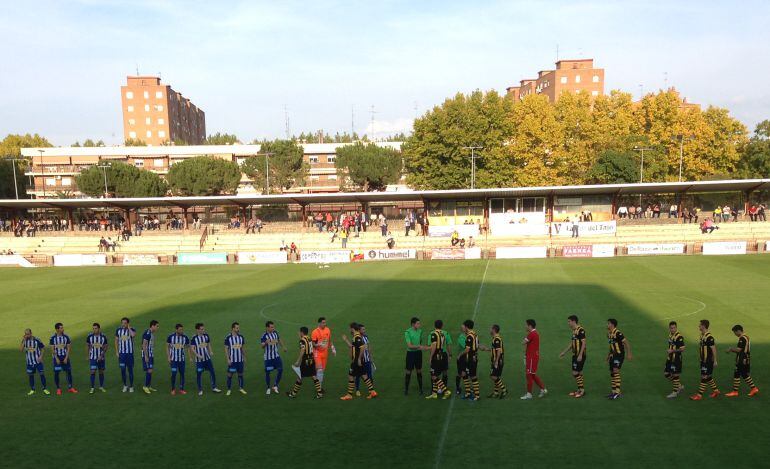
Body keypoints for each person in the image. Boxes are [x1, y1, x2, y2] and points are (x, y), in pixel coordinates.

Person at [340, 322, 377, 400]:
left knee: (351, 375)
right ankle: (372, 392)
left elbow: (362, 347)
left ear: (352, 329)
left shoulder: (357, 337)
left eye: (350, 328)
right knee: (364, 376)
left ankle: (349, 395)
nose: (350, 330)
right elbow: (352, 346)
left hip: (356, 361)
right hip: (357, 360)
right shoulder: (356, 336)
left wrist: (359, 359)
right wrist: (346, 340)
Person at [287, 327, 323, 399]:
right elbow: (312, 345)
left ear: (302, 332)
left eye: (299, 332)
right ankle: (319, 393)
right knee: (313, 376)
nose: (299, 333)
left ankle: (293, 394)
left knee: (300, 376)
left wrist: (298, 361)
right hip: (311, 359)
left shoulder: (302, 340)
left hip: (305, 360)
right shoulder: (309, 338)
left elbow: (302, 350)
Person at [725, 325, 759, 398]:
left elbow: (739, 349)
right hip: (745, 358)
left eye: (735, 332)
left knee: (741, 374)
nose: (735, 334)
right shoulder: (746, 337)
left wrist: (730, 349)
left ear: (738, 331)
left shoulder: (742, 338)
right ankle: (737, 391)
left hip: (742, 359)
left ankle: (752, 388)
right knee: (740, 374)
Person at [690, 319, 720, 400]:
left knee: (704, 377)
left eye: (700, 325)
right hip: (703, 360)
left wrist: (715, 360)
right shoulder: (702, 336)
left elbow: (713, 349)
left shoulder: (709, 337)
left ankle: (699, 395)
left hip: (708, 361)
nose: (699, 326)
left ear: (703, 326)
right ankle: (716, 391)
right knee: (708, 376)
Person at [189, 323, 220, 396]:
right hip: (199, 361)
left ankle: (214, 387)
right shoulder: (194, 338)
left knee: (212, 372)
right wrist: (197, 355)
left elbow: (208, 344)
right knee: (199, 374)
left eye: (203, 329)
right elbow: (192, 348)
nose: (203, 330)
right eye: (201, 329)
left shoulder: (206, 336)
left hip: (207, 359)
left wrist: (211, 351)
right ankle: (200, 389)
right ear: (197, 330)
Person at [559, 315, 586, 398]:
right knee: (579, 372)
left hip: (579, 355)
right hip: (575, 355)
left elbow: (584, 343)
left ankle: (581, 391)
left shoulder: (580, 330)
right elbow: (572, 344)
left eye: (569, 321)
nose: (568, 323)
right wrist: (564, 352)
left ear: (574, 321)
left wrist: (580, 355)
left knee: (575, 373)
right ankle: (580, 389)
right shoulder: (574, 331)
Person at [606, 319, 632, 399]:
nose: (607, 325)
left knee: (616, 371)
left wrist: (629, 354)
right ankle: (613, 391)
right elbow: (611, 346)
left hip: (619, 355)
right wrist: (608, 355)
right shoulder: (609, 334)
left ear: (612, 325)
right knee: (612, 372)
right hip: (613, 355)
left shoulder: (618, 333)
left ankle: (617, 392)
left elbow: (626, 343)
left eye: (608, 323)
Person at [425, 320, 451, 400]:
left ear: (434, 326)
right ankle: (434, 393)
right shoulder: (443, 334)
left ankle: (446, 391)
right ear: (442, 326)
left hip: (436, 356)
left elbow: (434, 346)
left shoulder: (433, 334)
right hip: (442, 354)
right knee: (437, 373)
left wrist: (430, 357)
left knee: (434, 375)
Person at [479, 324, 507, 399]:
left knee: (493, 376)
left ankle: (504, 390)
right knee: (496, 376)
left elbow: (498, 351)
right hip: (497, 360)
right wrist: (486, 349)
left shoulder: (497, 339)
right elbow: (495, 349)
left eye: (490, 329)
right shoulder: (495, 338)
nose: (489, 330)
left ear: (494, 330)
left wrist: (496, 361)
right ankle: (496, 392)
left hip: (497, 361)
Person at [521, 319, 546, 400]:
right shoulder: (534, 333)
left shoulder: (532, 334)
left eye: (526, 325)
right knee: (532, 374)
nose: (525, 326)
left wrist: (525, 339)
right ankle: (543, 389)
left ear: (530, 326)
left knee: (529, 375)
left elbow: (523, 342)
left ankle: (529, 394)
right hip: (531, 357)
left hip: (532, 358)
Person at [49, 322, 77, 395]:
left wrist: (66, 358)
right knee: (57, 373)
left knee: (68, 372)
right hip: (57, 358)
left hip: (65, 357)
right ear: (57, 329)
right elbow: (52, 349)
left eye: (62, 327)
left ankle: (70, 387)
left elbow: (68, 348)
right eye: (61, 328)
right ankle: (58, 388)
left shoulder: (66, 337)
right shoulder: (52, 338)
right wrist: (56, 358)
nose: (63, 329)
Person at [261, 321, 287, 395]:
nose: (273, 328)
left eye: (273, 327)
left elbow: (279, 340)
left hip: (276, 356)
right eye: (271, 327)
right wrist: (266, 342)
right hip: (268, 358)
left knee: (280, 369)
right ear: (267, 328)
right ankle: (268, 387)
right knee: (268, 372)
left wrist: (283, 347)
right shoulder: (264, 336)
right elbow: (262, 346)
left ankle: (275, 385)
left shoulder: (275, 333)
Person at [21, 329, 49, 395]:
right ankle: (32, 389)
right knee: (31, 375)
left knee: (42, 374)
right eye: (26, 334)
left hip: (38, 361)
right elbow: (21, 350)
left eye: (28, 334)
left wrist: (41, 356)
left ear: (31, 333)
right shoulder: (24, 340)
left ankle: (44, 388)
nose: (27, 335)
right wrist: (24, 340)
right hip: (29, 362)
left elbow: (42, 348)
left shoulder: (37, 340)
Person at [311, 317, 335, 390]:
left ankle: (318, 384)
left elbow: (330, 340)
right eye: (323, 322)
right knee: (320, 370)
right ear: (319, 323)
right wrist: (318, 344)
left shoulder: (327, 330)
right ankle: (319, 388)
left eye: (325, 322)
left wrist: (333, 348)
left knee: (322, 371)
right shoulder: (315, 332)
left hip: (325, 353)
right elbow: (313, 344)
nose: (325, 324)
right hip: (317, 353)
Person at [166, 324, 190, 395]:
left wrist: (190, 356)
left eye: (182, 329)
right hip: (173, 360)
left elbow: (188, 346)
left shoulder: (185, 337)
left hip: (182, 360)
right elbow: (167, 347)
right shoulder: (171, 337)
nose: (181, 331)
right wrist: (168, 357)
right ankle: (173, 389)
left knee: (182, 374)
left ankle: (181, 389)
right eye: (180, 330)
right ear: (176, 330)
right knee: (174, 373)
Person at [459, 320, 480, 400]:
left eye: (463, 326)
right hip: (470, 358)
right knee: (464, 374)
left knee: (473, 376)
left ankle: (477, 395)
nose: (462, 327)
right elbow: (477, 345)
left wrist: (460, 354)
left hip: (471, 358)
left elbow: (467, 349)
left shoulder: (469, 336)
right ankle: (468, 392)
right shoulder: (475, 334)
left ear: (466, 327)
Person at [224, 322, 247, 396]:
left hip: (240, 360)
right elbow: (226, 349)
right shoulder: (228, 337)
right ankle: (229, 389)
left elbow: (242, 348)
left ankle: (241, 388)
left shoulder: (241, 337)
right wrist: (228, 359)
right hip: (232, 361)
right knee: (230, 375)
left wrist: (244, 356)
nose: (238, 329)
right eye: (237, 328)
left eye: (238, 328)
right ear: (233, 328)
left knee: (240, 374)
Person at [115, 317, 137, 393]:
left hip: (130, 354)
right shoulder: (118, 330)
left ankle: (131, 386)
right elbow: (116, 341)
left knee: (130, 370)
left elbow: (133, 335)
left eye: (125, 323)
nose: (123, 324)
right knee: (123, 370)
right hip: (122, 355)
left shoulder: (132, 329)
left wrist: (129, 328)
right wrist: (117, 352)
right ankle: (125, 385)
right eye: (122, 323)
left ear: (128, 323)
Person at [664, 321, 685, 399]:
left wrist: (672, 351)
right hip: (670, 358)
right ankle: (679, 386)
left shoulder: (679, 337)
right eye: (671, 328)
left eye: (674, 328)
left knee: (676, 375)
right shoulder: (670, 335)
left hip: (676, 359)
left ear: (676, 328)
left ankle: (674, 392)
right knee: (666, 373)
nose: (673, 329)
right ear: (669, 328)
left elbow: (682, 349)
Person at [404, 317, 424, 395]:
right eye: (418, 323)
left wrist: (419, 347)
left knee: (419, 370)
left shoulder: (420, 331)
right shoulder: (407, 332)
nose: (419, 325)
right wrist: (419, 346)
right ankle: (406, 389)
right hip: (411, 354)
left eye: (419, 323)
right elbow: (409, 346)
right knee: (408, 371)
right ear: (413, 324)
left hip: (418, 353)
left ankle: (421, 389)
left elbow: (420, 341)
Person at [353, 324, 374, 396]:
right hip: (360, 361)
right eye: (363, 329)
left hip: (367, 359)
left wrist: (370, 357)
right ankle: (357, 390)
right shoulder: (356, 338)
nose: (364, 331)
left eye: (364, 329)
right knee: (358, 375)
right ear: (359, 330)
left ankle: (371, 390)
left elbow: (369, 347)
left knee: (369, 375)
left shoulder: (365, 337)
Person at [86, 323, 108, 394]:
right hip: (93, 357)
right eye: (93, 328)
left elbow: (105, 347)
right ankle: (92, 387)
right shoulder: (89, 336)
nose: (94, 330)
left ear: (99, 329)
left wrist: (101, 356)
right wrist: (88, 355)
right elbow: (88, 346)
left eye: (95, 328)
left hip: (101, 358)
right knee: (93, 371)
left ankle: (101, 386)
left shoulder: (103, 336)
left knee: (101, 371)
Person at [141, 320, 159, 394]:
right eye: (157, 326)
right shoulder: (148, 333)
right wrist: (146, 356)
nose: (158, 327)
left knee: (150, 370)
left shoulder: (151, 333)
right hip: (147, 355)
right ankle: (145, 386)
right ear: (152, 326)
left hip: (150, 354)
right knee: (149, 370)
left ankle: (148, 386)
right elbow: (144, 345)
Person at [454, 328, 466, 395]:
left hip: (467, 357)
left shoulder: (470, 335)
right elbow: (466, 347)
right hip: (461, 358)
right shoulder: (461, 337)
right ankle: (458, 388)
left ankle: (468, 388)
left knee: (468, 373)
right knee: (460, 373)